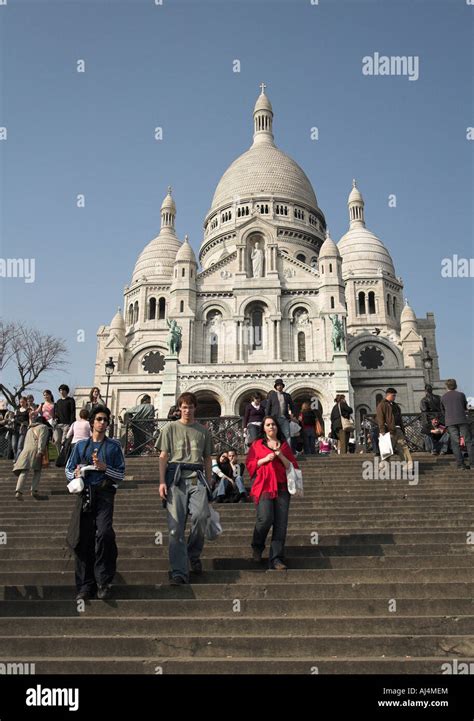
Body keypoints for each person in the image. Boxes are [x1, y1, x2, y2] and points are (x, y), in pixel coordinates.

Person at [65, 406, 125, 601]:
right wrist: (74, 474)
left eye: (106, 420)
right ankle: (85, 584)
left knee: (105, 533)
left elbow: (121, 474)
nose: (102, 423)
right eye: (99, 419)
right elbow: (67, 469)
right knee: (83, 538)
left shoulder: (114, 447)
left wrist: (104, 468)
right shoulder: (81, 446)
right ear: (92, 422)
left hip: (105, 493)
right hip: (85, 494)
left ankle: (103, 580)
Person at [158, 392, 214, 585]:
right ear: (178, 408)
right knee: (175, 528)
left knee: (201, 516)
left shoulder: (203, 431)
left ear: (194, 408)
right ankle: (179, 572)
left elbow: (207, 458)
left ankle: (192, 553)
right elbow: (163, 457)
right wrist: (162, 482)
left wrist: (209, 480)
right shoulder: (169, 429)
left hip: (197, 479)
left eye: (190, 407)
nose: (187, 410)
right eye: (183, 407)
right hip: (175, 479)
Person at [246, 415, 298, 570]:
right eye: (268, 424)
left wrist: (280, 455)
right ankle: (257, 545)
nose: (271, 427)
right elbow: (250, 464)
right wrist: (265, 459)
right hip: (264, 486)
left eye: (273, 424)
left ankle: (276, 558)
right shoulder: (256, 445)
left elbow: (292, 466)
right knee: (265, 518)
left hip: (282, 487)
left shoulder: (284, 446)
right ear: (263, 428)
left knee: (281, 524)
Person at [13, 410, 50, 500]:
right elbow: (42, 439)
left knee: (24, 471)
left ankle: (19, 491)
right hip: (35, 451)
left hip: (25, 451)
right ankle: (34, 490)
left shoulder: (30, 429)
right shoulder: (43, 427)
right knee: (37, 471)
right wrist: (40, 451)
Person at [376, 388, 413, 469]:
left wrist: (402, 429)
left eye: (395, 395)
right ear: (388, 395)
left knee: (403, 446)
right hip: (388, 430)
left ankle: (408, 464)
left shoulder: (395, 405)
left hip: (398, 429)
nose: (394, 397)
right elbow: (380, 418)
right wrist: (382, 430)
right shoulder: (382, 405)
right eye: (393, 395)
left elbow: (399, 418)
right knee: (388, 448)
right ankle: (383, 463)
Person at [441, 379, 474, 470]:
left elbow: (443, 410)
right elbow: (465, 407)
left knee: (455, 444)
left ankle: (460, 465)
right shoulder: (461, 395)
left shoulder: (443, 397)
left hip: (450, 422)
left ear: (446, 386)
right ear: (456, 386)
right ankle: (472, 464)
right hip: (462, 420)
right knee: (469, 442)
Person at [265, 379, 295, 445]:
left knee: (287, 435)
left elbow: (292, 405)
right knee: (274, 435)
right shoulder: (272, 396)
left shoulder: (287, 395)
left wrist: (292, 414)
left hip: (284, 418)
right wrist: (267, 417)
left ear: (282, 386)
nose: (279, 386)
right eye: (278, 385)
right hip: (275, 418)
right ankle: (275, 450)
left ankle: (288, 452)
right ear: (276, 387)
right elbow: (268, 407)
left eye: (280, 385)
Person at [420, 384, 444, 452]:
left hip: (430, 420)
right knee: (441, 434)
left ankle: (432, 449)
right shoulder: (439, 397)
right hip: (440, 419)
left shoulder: (424, 400)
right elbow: (442, 408)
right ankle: (441, 448)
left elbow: (424, 411)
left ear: (425, 390)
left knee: (429, 434)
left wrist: (425, 423)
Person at [54, 384, 76, 454]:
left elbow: (73, 412)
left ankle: (62, 456)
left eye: (63, 390)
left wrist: (71, 424)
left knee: (63, 441)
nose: (61, 391)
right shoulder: (58, 402)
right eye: (60, 390)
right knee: (57, 440)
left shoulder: (71, 400)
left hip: (67, 424)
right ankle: (59, 454)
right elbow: (56, 412)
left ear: (66, 391)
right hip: (58, 425)